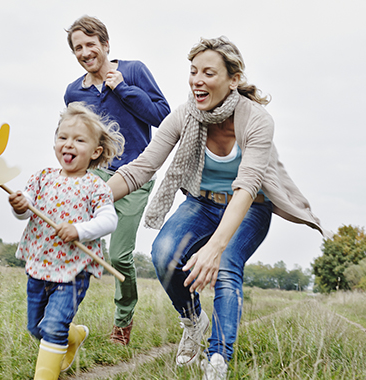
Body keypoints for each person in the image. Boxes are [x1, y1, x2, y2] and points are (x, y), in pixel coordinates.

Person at [107, 36, 330, 380]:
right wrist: (90, 198)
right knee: (164, 254)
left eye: (208, 72)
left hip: (250, 206)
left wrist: (214, 247)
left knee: (226, 264)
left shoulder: (256, 120)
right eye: (193, 71)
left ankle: (217, 361)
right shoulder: (185, 115)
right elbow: (142, 167)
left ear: (233, 79)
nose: (197, 79)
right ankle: (194, 321)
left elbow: (247, 185)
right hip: (202, 202)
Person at [64, 15, 170, 345]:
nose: (85, 52)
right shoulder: (73, 93)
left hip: (136, 175)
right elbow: (75, 139)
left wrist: (122, 88)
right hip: (95, 176)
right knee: (71, 241)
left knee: (120, 255)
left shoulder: (134, 70)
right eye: (77, 48)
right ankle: (60, 319)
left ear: (105, 45)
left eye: (90, 44)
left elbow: (163, 117)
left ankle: (123, 323)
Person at [10, 102, 124, 380]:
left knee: (52, 328)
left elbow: (110, 220)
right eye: (62, 137)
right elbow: (23, 214)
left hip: (73, 270)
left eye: (79, 140)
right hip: (39, 265)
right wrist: (19, 206)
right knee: (36, 327)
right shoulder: (41, 178)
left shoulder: (95, 186)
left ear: (96, 151)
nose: (68, 144)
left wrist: (79, 230)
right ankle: (73, 335)